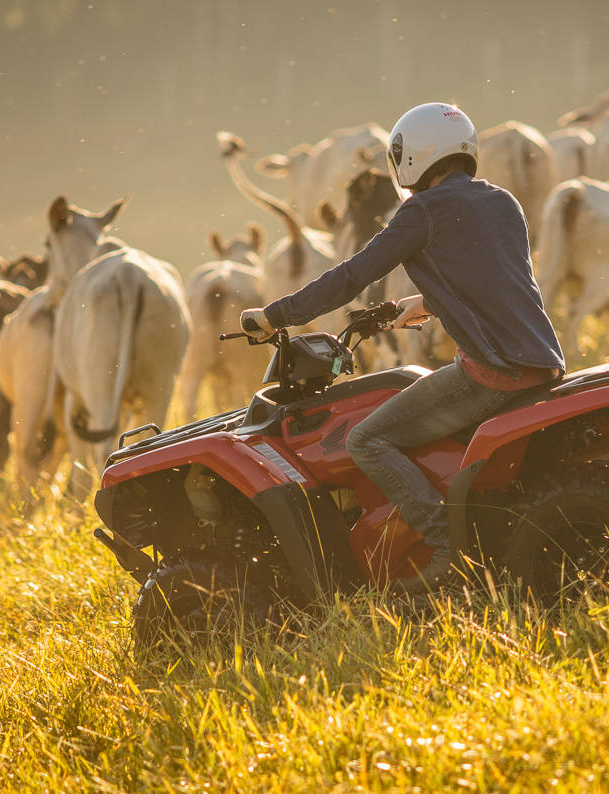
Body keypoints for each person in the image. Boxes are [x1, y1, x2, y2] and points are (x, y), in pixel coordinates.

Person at [240, 102, 566, 591]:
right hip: (544, 360)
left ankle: (446, 549)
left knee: (366, 440)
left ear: (409, 157)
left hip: (492, 371)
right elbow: (494, 278)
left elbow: (352, 276)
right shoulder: (503, 201)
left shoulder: (421, 212)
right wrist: (422, 303)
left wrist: (274, 316)